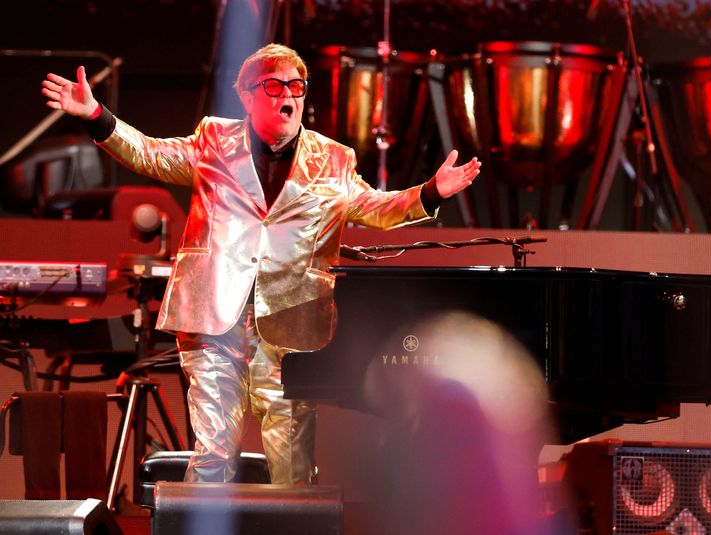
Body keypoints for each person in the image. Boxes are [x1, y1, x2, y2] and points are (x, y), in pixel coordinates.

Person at [41, 43, 481, 485]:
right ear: (248, 95)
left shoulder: (333, 159)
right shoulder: (213, 140)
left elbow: (374, 207)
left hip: (292, 322)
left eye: (296, 85)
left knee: (291, 460)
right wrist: (97, 116)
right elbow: (149, 153)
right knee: (213, 452)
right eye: (274, 85)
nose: (287, 94)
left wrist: (431, 192)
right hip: (214, 318)